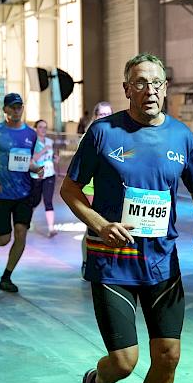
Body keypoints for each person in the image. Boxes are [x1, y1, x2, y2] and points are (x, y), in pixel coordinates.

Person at [60, 53, 193, 383]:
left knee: (168, 356)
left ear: (166, 88)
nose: (149, 90)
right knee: (125, 362)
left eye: (157, 82)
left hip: (162, 264)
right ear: (126, 88)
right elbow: (70, 189)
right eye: (140, 83)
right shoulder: (103, 133)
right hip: (112, 262)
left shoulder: (182, 137)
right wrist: (97, 222)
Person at [0, 92, 45, 292]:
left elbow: (24, 161)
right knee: (3, 239)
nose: (16, 110)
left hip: (24, 193)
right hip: (1, 193)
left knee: (21, 234)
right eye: (12, 107)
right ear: (4, 109)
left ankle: (7, 276)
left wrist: (36, 168)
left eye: (19, 107)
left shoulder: (30, 134)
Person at [79, 101, 113, 275]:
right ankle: (87, 261)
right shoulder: (88, 137)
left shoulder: (115, 136)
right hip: (90, 187)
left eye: (109, 114)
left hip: (108, 188)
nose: (105, 117)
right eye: (102, 114)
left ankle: (103, 261)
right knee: (92, 225)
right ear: (95, 116)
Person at [30, 119, 58, 237]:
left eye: (45, 127)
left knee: (48, 201)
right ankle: (27, 220)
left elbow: (51, 156)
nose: (43, 130)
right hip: (36, 175)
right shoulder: (32, 142)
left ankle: (51, 228)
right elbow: (33, 159)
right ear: (36, 128)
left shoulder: (50, 141)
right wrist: (43, 150)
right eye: (40, 127)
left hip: (49, 174)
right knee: (34, 201)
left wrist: (55, 158)